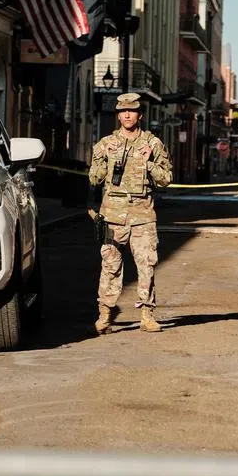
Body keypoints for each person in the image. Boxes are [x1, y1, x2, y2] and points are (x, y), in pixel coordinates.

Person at [88, 92, 173, 334]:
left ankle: (147, 315)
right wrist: (104, 158)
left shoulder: (153, 144)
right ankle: (105, 314)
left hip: (143, 215)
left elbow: (166, 179)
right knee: (110, 265)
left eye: (132, 110)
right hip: (113, 216)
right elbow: (94, 178)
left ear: (140, 114)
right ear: (117, 115)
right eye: (122, 111)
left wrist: (148, 163)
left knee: (147, 266)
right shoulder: (105, 144)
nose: (127, 114)